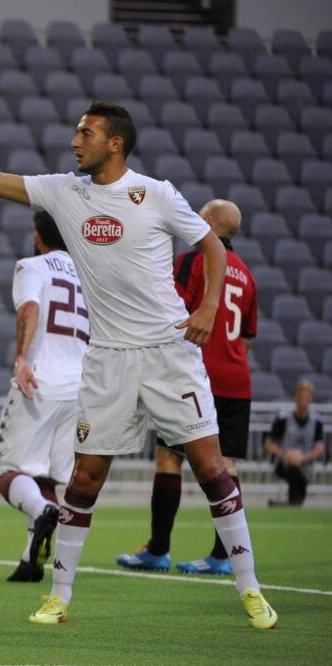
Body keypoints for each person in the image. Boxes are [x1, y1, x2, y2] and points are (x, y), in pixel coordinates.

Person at [0, 101, 277, 628]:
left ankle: (250, 589)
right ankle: (59, 596)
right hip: (106, 358)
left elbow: (212, 249)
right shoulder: (65, 191)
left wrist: (204, 306)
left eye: (85, 132)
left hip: (167, 353)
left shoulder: (155, 194)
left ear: (115, 143)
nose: (74, 141)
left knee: (212, 468)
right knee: (83, 479)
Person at [117, 199, 257, 575]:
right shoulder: (246, 272)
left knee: (169, 458)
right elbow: (245, 337)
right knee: (226, 464)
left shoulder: (195, 260)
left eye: (200, 213)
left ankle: (158, 549)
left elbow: (172, 311)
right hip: (237, 379)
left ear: (209, 222)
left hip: (196, 375)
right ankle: (223, 556)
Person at [0, 210, 88, 584]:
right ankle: (29, 562)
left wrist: (21, 358)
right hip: (79, 385)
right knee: (48, 474)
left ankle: (42, 510)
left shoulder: (31, 265)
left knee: (8, 473)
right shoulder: (86, 277)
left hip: (40, 381)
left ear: (38, 237)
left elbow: (29, 308)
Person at [264, 378, 325, 506]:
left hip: (305, 465)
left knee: (296, 467)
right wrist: (286, 455)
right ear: (295, 396)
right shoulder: (283, 419)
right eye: (300, 395)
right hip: (284, 464)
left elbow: (319, 448)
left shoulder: (316, 422)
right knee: (292, 464)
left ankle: (288, 503)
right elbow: (268, 443)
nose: (303, 399)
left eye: (306, 395)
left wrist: (301, 458)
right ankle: (294, 502)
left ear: (310, 398)